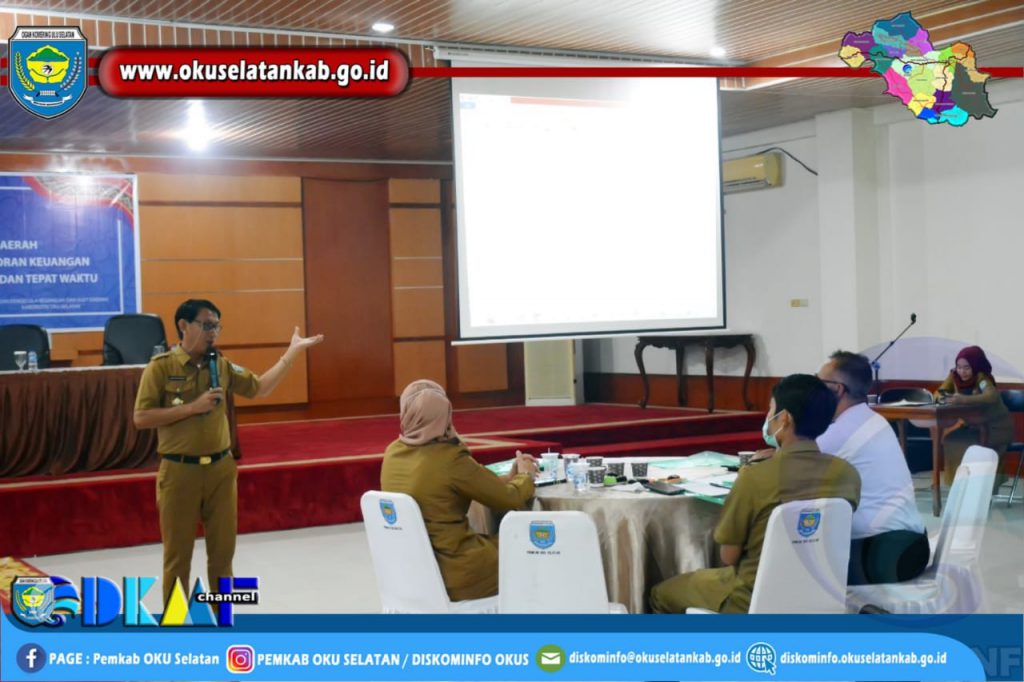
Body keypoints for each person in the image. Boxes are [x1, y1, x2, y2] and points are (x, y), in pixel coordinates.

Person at [134, 299, 323, 603]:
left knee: (223, 555)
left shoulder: (220, 365)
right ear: (184, 325)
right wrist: (193, 408)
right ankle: (174, 622)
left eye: (216, 326)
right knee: (178, 557)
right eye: (207, 325)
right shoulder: (161, 368)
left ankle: (222, 618)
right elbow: (141, 418)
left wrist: (292, 352)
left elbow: (260, 388)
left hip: (220, 470)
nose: (213, 333)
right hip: (179, 472)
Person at [649, 374, 860, 614]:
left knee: (660, 594)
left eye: (771, 410)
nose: (768, 417)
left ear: (785, 418)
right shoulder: (847, 474)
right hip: (820, 593)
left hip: (750, 597)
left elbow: (729, 556)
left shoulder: (755, 477)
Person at [380, 379, 538, 601]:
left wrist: (509, 478)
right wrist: (526, 476)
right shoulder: (449, 457)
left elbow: (448, 487)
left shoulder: (392, 453)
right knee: (535, 547)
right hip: (460, 572)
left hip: (413, 572)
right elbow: (511, 499)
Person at [816, 350, 928, 585]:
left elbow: (791, 467)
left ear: (837, 389)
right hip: (911, 545)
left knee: (795, 563)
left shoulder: (840, 431)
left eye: (819, 383)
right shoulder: (872, 419)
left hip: (883, 553)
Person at [934, 345, 1013, 490]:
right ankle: (959, 486)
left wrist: (963, 399)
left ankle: (979, 488)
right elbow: (938, 393)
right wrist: (943, 398)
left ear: (975, 366)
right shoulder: (954, 376)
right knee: (952, 439)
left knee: (971, 446)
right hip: (974, 427)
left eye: (967, 368)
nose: (962, 372)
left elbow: (991, 396)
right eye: (959, 367)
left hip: (995, 428)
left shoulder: (981, 378)